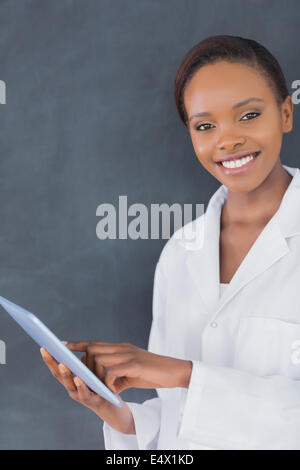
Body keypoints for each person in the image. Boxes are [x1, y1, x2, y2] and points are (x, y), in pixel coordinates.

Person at [40, 35, 300, 450]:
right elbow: (182, 419)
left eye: (248, 115)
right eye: (205, 126)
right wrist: (121, 417)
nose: (227, 140)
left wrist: (183, 373)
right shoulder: (181, 252)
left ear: (286, 113)